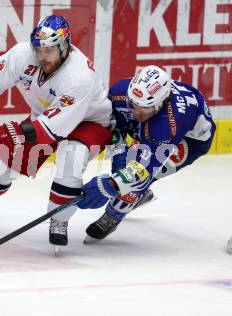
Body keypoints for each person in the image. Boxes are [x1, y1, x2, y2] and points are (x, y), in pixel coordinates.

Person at [0, 15, 114, 252]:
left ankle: (59, 219)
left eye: (48, 51)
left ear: (64, 46)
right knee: (6, 163)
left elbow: (52, 130)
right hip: (46, 118)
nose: (41, 56)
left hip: (90, 123)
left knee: (71, 159)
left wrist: (16, 132)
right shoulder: (23, 54)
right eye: (38, 49)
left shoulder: (79, 77)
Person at [77, 65, 216, 242]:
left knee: (138, 177)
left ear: (160, 104)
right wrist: (119, 154)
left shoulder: (169, 124)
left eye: (144, 107)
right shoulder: (122, 92)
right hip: (152, 128)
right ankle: (135, 196)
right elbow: (114, 127)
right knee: (126, 171)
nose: (136, 112)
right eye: (133, 104)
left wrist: (111, 184)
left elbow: (144, 169)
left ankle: (114, 215)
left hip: (189, 141)